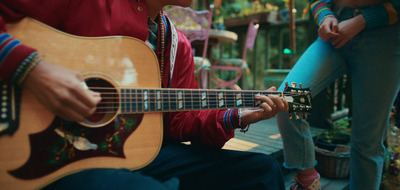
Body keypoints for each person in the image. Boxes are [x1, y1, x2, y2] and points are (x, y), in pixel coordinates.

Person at [0, 0, 289, 189]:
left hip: (137, 155)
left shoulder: (177, 44)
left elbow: (179, 123)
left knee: (262, 172)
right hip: (51, 155)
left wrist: (234, 116)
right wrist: (31, 70)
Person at [276, 0, 400, 189]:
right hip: (333, 34)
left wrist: (362, 21)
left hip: (384, 41)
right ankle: (308, 179)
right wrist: (325, 15)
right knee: (286, 101)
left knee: (367, 143)